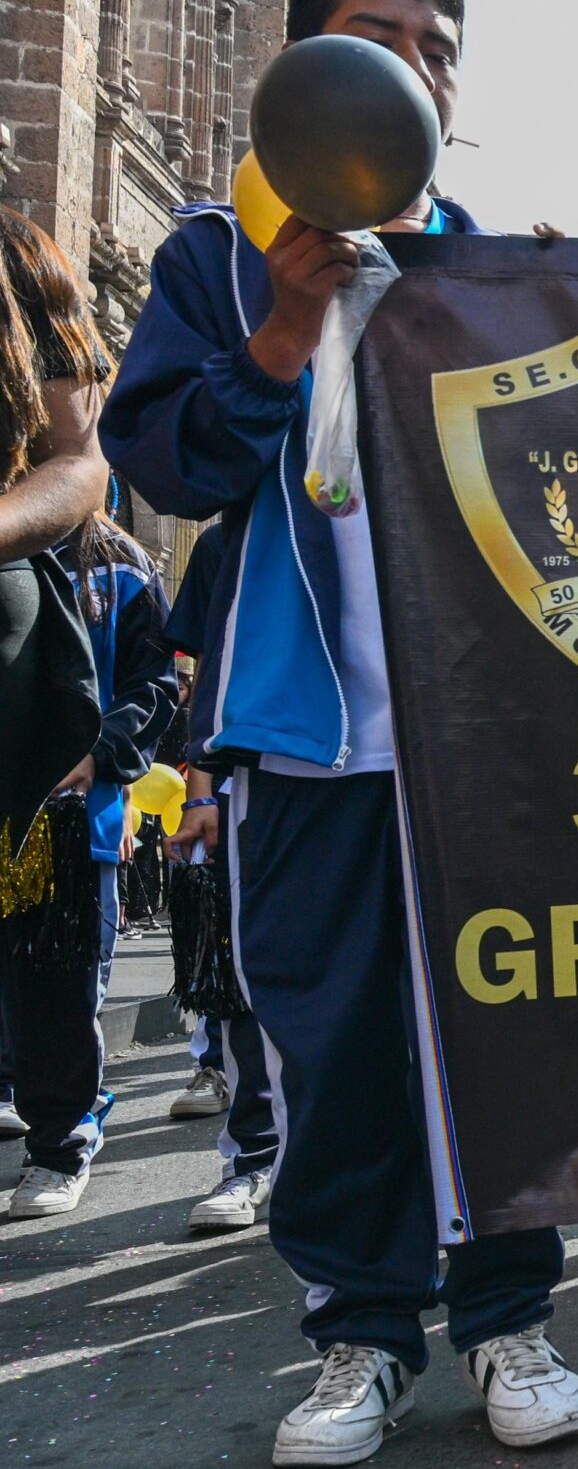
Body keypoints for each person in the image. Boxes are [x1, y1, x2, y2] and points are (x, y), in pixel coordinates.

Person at [101, 0, 578, 1466]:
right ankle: (361, 1335)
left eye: (438, 52)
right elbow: (162, 461)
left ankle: (510, 1315)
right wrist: (277, 335)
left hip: (475, 735)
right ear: (304, 62)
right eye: (378, 40)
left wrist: (567, 324)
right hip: (304, 730)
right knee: (333, 1045)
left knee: (497, 1033)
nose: (414, 71)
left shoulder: (487, 266)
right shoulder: (212, 255)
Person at [0, 209, 173, 1221]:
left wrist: (102, 754)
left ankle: (62, 1136)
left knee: (59, 972)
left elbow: (160, 684)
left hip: (70, 803)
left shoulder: (120, 569)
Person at [158, 519, 282, 1229]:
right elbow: (210, 669)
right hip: (254, 785)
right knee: (246, 984)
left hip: (390, 781)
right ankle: (254, 1159)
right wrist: (201, 793)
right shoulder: (227, 535)